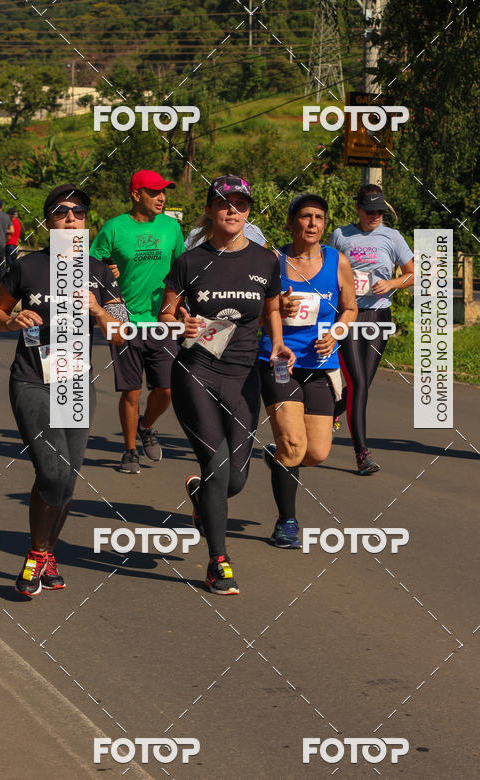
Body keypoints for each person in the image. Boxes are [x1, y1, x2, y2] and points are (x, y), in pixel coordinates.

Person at [0, 183, 126, 597]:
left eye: (79, 212)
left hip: (76, 381)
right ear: (48, 221)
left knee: (67, 477)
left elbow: (121, 332)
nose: (71, 218)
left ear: (86, 223)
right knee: (50, 469)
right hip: (31, 379)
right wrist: (11, 321)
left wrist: (99, 309)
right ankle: (35, 553)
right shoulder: (27, 267)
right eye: (62, 212)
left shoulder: (100, 272)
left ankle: (47, 554)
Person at [160, 175, 294, 595]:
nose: (233, 210)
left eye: (240, 203)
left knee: (234, 479)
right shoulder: (190, 261)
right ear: (211, 209)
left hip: (243, 376)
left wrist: (278, 346)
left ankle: (202, 497)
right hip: (196, 369)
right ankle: (219, 561)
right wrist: (178, 321)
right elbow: (166, 311)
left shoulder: (265, 260)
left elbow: (272, 308)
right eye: (224, 203)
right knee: (217, 466)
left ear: (248, 210)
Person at [257, 193, 357, 547]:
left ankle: (278, 457)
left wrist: (336, 333)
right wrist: (274, 304)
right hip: (279, 363)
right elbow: (250, 308)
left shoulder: (337, 262)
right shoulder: (273, 260)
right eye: (305, 217)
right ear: (291, 223)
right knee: (295, 445)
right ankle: (286, 522)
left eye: (319, 217)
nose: (313, 223)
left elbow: (350, 309)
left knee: (316, 453)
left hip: (320, 365)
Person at [90, 170, 184, 473]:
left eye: (163, 192)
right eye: (154, 192)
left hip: (161, 320)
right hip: (123, 317)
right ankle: (130, 450)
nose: (161, 197)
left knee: (167, 389)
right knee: (131, 391)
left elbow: (181, 270)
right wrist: (107, 271)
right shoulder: (114, 228)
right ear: (136, 194)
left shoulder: (172, 227)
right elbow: (91, 266)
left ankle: (147, 425)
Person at [327, 185, 414, 475]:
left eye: (380, 211)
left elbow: (413, 274)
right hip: (349, 315)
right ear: (358, 210)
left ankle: (329, 414)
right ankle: (362, 454)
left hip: (378, 315)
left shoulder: (393, 237)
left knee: (360, 385)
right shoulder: (341, 235)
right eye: (370, 211)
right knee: (359, 384)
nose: (375, 216)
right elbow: (327, 271)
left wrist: (390, 284)